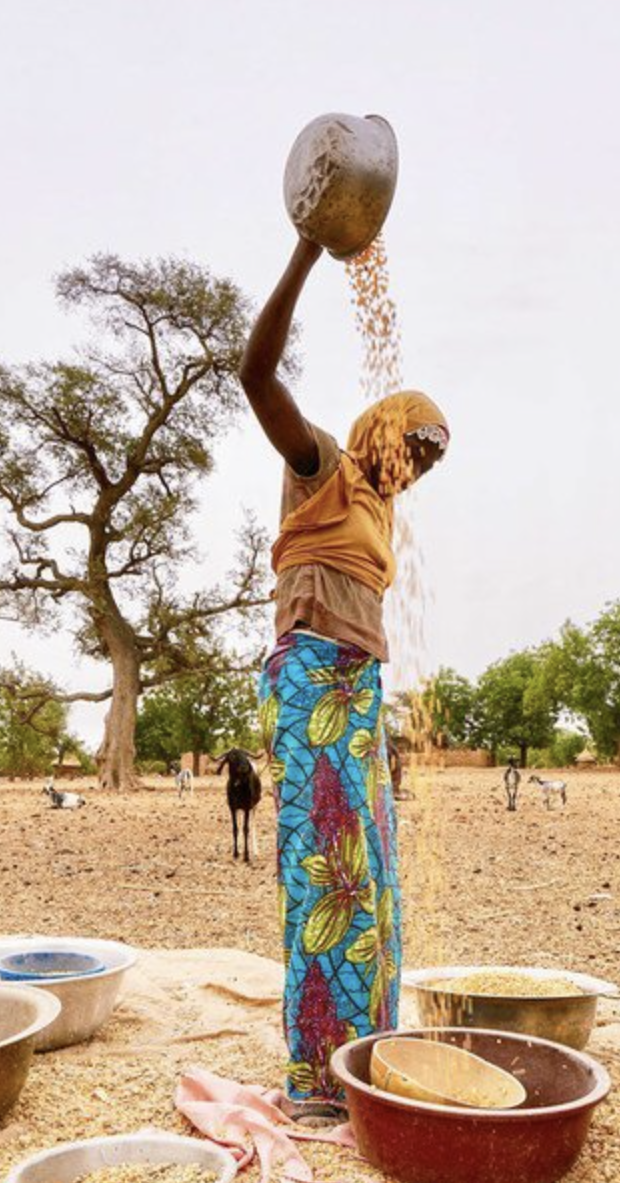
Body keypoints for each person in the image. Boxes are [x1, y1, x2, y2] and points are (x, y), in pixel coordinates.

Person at [239, 235, 450, 1120]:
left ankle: (363, 1054)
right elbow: (255, 374)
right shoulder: (322, 467)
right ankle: (317, 1079)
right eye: (414, 445)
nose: (418, 466)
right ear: (379, 430)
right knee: (325, 874)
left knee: (372, 882)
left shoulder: (381, 511)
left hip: (358, 690)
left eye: (431, 460)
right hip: (311, 679)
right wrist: (305, 252)